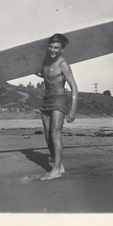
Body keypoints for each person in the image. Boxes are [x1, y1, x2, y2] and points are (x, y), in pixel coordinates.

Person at [36, 33, 78, 181]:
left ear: (62, 50)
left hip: (59, 99)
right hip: (46, 99)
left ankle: (56, 171)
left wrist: (72, 110)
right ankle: (57, 164)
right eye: (51, 47)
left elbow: (74, 87)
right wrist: (41, 74)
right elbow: (49, 76)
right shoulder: (46, 61)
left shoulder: (63, 64)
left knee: (55, 134)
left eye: (56, 48)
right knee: (47, 135)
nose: (53, 50)